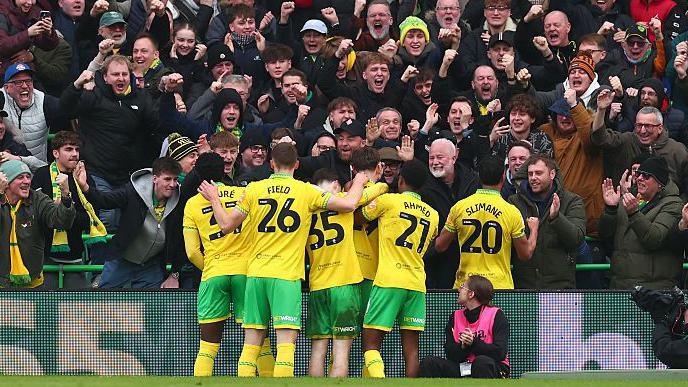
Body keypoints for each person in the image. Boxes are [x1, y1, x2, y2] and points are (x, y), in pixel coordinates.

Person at [197, 142, 369, 377]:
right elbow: (349, 204)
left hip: (256, 275)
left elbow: (226, 225)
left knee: (251, 346)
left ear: (271, 164)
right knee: (285, 345)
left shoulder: (255, 189)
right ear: (297, 165)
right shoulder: (306, 191)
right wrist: (358, 182)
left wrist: (215, 199)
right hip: (286, 277)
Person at [183, 152, 274, 377]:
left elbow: (192, 252)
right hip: (247, 272)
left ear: (198, 175)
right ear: (224, 170)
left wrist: (213, 267)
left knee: (207, 347)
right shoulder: (244, 194)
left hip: (214, 272)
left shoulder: (192, 205)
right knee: (260, 344)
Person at [305, 150, 387, 377]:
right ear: (335, 186)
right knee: (341, 352)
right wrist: (363, 180)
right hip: (345, 283)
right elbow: (375, 190)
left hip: (318, 285)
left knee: (317, 351)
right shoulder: (343, 202)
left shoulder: (307, 209)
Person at [361, 159, 439, 378]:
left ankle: (380, 381)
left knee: (370, 341)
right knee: (412, 349)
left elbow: (359, 218)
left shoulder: (389, 201)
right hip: (416, 283)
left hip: (389, 279)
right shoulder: (433, 215)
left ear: (401, 180)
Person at [73, 157, 184, 289]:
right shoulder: (132, 191)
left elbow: (180, 240)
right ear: (155, 179)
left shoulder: (179, 199)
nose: (172, 184)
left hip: (151, 265)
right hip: (122, 260)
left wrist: (174, 274)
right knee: (103, 305)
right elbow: (105, 200)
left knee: (152, 307)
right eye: (167, 179)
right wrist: (85, 187)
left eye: (175, 179)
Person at [435, 155, 539, 289]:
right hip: (499, 288)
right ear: (503, 177)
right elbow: (525, 254)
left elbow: (440, 246)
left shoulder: (459, 208)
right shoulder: (512, 212)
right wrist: (534, 229)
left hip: (466, 287)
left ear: (479, 177)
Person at [31, 131, 105, 289]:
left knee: (78, 310)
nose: (75, 154)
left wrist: (64, 215)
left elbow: (91, 219)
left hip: (75, 259)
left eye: (77, 150)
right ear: (55, 153)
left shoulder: (84, 178)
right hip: (44, 258)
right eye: (69, 149)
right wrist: (61, 215)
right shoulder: (42, 175)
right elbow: (35, 215)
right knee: (45, 308)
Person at [599, 156, 684, 289]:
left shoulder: (673, 205)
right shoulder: (628, 199)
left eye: (646, 175)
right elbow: (605, 236)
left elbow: (654, 239)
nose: (639, 178)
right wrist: (611, 210)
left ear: (660, 183)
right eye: (639, 174)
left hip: (654, 289)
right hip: (620, 285)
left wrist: (634, 214)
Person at [508, 155, 586, 289]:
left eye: (538, 173)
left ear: (552, 174)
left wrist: (556, 218)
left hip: (560, 285)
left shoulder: (572, 201)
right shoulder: (514, 202)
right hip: (524, 285)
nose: (533, 178)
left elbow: (576, 239)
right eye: (530, 174)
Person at [592, 88, 688, 193]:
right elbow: (600, 138)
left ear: (660, 128)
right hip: (625, 203)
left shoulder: (677, 151)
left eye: (648, 126)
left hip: (665, 207)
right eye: (639, 125)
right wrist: (601, 110)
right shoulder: (627, 140)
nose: (642, 131)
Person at [0, 159, 75, 288]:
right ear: (6, 182)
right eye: (20, 177)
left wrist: (66, 196)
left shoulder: (38, 199)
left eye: (28, 176)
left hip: (33, 282)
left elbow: (61, 222)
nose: (27, 181)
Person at [420, 275, 510, 378]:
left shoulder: (496, 314)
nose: (459, 290)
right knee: (430, 363)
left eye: (462, 286)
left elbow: (500, 352)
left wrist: (474, 342)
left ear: (471, 294)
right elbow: (450, 354)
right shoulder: (455, 316)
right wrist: (463, 346)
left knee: (481, 362)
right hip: (463, 367)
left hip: (493, 367)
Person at [420, 138, 480, 289]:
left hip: (469, 261)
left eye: (440, 157)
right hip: (435, 264)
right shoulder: (422, 185)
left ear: (454, 157)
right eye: (431, 157)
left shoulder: (473, 181)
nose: (434, 162)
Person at [2, 63, 65, 168]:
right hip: (6, 170)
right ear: (7, 88)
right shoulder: (1, 98)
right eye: (18, 82)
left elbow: (71, 107)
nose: (25, 86)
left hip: (37, 170)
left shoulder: (44, 101)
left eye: (28, 81)